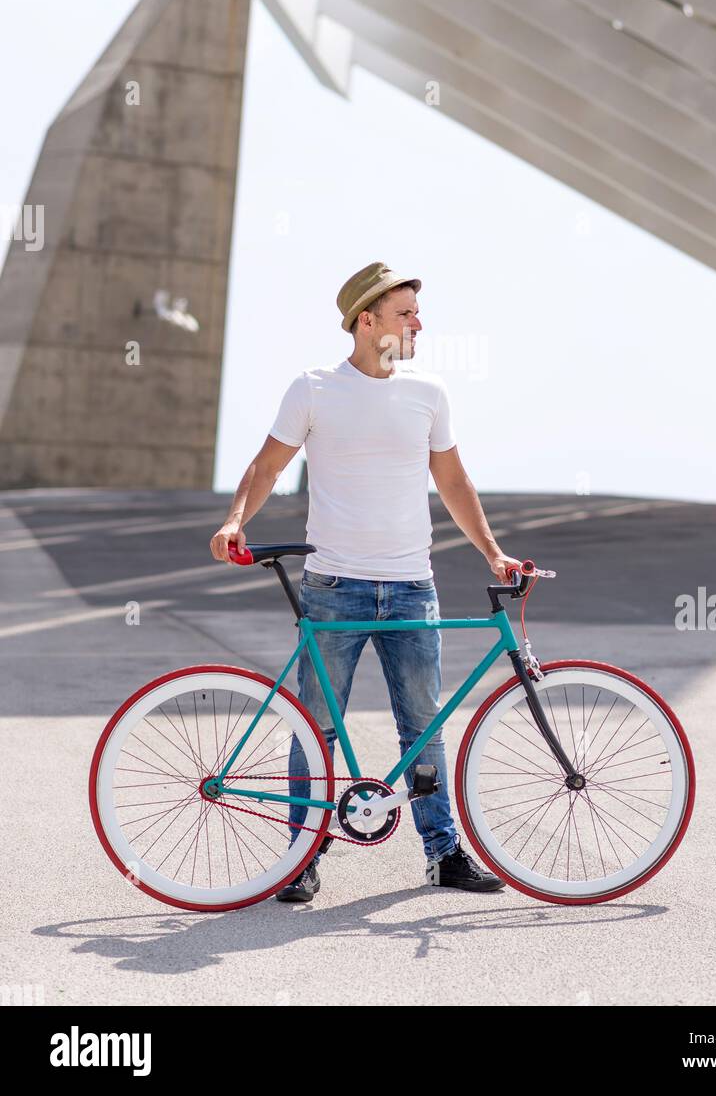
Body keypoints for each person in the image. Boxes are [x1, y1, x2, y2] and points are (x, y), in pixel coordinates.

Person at [210, 262, 519, 901]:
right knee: (315, 726)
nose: (418, 324)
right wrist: (236, 518)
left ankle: (443, 856)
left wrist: (493, 553)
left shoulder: (428, 392)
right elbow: (267, 467)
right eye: (406, 313)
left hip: (412, 585)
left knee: (424, 727)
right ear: (367, 320)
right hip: (335, 583)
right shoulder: (314, 388)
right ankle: (301, 858)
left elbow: (454, 483)